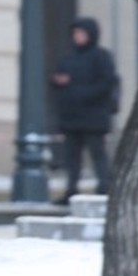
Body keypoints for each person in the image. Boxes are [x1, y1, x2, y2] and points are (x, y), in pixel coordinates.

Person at [50, 17, 119, 201]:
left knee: (98, 153)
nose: (77, 37)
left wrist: (82, 93)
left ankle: (104, 187)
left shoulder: (100, 57)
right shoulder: (69, 57)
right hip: (71, 116)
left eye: (81, 33)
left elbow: (107, 82)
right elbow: (60, 79)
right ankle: (71, 189)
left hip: (93, 116)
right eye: (75, 33)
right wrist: (58, 82)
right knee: (71, 156)